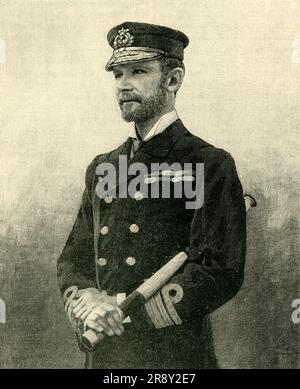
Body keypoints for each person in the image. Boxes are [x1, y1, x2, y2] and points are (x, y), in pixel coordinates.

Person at [57, 21, 246, 369]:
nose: (123, 86)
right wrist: (87, 303)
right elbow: (72, 261)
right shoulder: (102, 167)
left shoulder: (209, 163)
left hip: (174, 359)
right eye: (117, 74)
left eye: (138, 71)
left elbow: (219, 270)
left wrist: (123, 314)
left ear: (173, 80)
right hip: (104, 359)